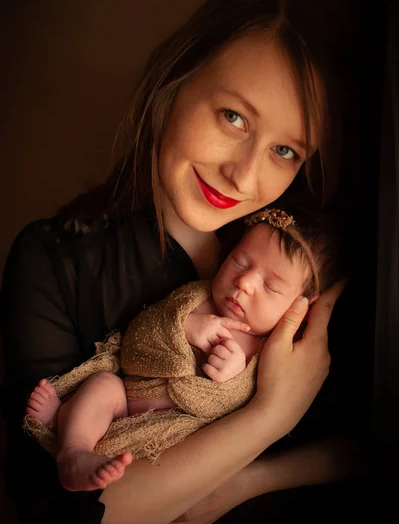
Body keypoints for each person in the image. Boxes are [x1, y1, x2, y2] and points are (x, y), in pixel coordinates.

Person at [0, 0, 357, 524]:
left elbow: (372, 445)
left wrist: (247, 482)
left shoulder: (315, 263)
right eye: (233, 117)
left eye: (285, 150)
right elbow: (59, 513)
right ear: (176, 84)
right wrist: (270, 415)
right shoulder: (54, 261)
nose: (242, 175)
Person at [25, 207, 342, 493]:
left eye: (271, 286)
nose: (244, 282)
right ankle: (73, 448)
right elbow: (136, 341)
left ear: (300, 306)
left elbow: (245, 404)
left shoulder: (269, 349)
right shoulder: (196, 298)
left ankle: (74, 435)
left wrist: (232, 377)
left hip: (174, 437)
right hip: (127, 401)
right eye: (239, 261)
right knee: (103, 386)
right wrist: (183, 328)